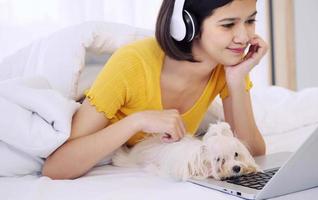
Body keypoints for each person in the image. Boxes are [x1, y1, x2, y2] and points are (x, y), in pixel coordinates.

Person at [42, 0, 268, 179]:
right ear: (188, 24)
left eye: (250, 21)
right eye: (228, 25)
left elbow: (254, 154)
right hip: (94, 91)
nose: (244, 37)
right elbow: (55, 167)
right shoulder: (131, 64)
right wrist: (137, 121)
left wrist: (236, 80)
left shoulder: (227, 63)